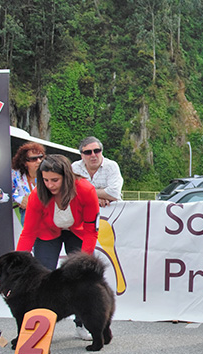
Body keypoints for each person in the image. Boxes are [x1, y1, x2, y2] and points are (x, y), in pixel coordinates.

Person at [15, 154, 100, 340]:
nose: (50, 185)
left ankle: (82, 324)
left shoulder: (86, 190)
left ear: (66, 177)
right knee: (41, 279)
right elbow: (28, 233)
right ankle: (40, 327)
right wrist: (18, 261)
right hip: (47, 233)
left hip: (78, 232)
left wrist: (83, 261)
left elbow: (91, 230)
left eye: (55, 180)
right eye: (45, 180)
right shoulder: (37, 195)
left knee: (81, 278)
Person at [71, 136, 123, 207]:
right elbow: (70, 192)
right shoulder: (75, 167)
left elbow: (115, 193)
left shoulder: (111, 166)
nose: (93, 155)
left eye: (96, 151)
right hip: (85, 210)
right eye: (88, 152)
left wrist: (84, 192)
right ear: (82, 155)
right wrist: (95, 198)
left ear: (101, 151)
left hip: (111, 210)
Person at [11, 142, 46, 223]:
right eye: (34, 159)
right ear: (24, 162)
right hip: (28, 214)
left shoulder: (48, 174)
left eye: (41, 157)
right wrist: (20, 200)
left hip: (46, 212)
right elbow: (7, 194)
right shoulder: (16, 175)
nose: (39, 161)